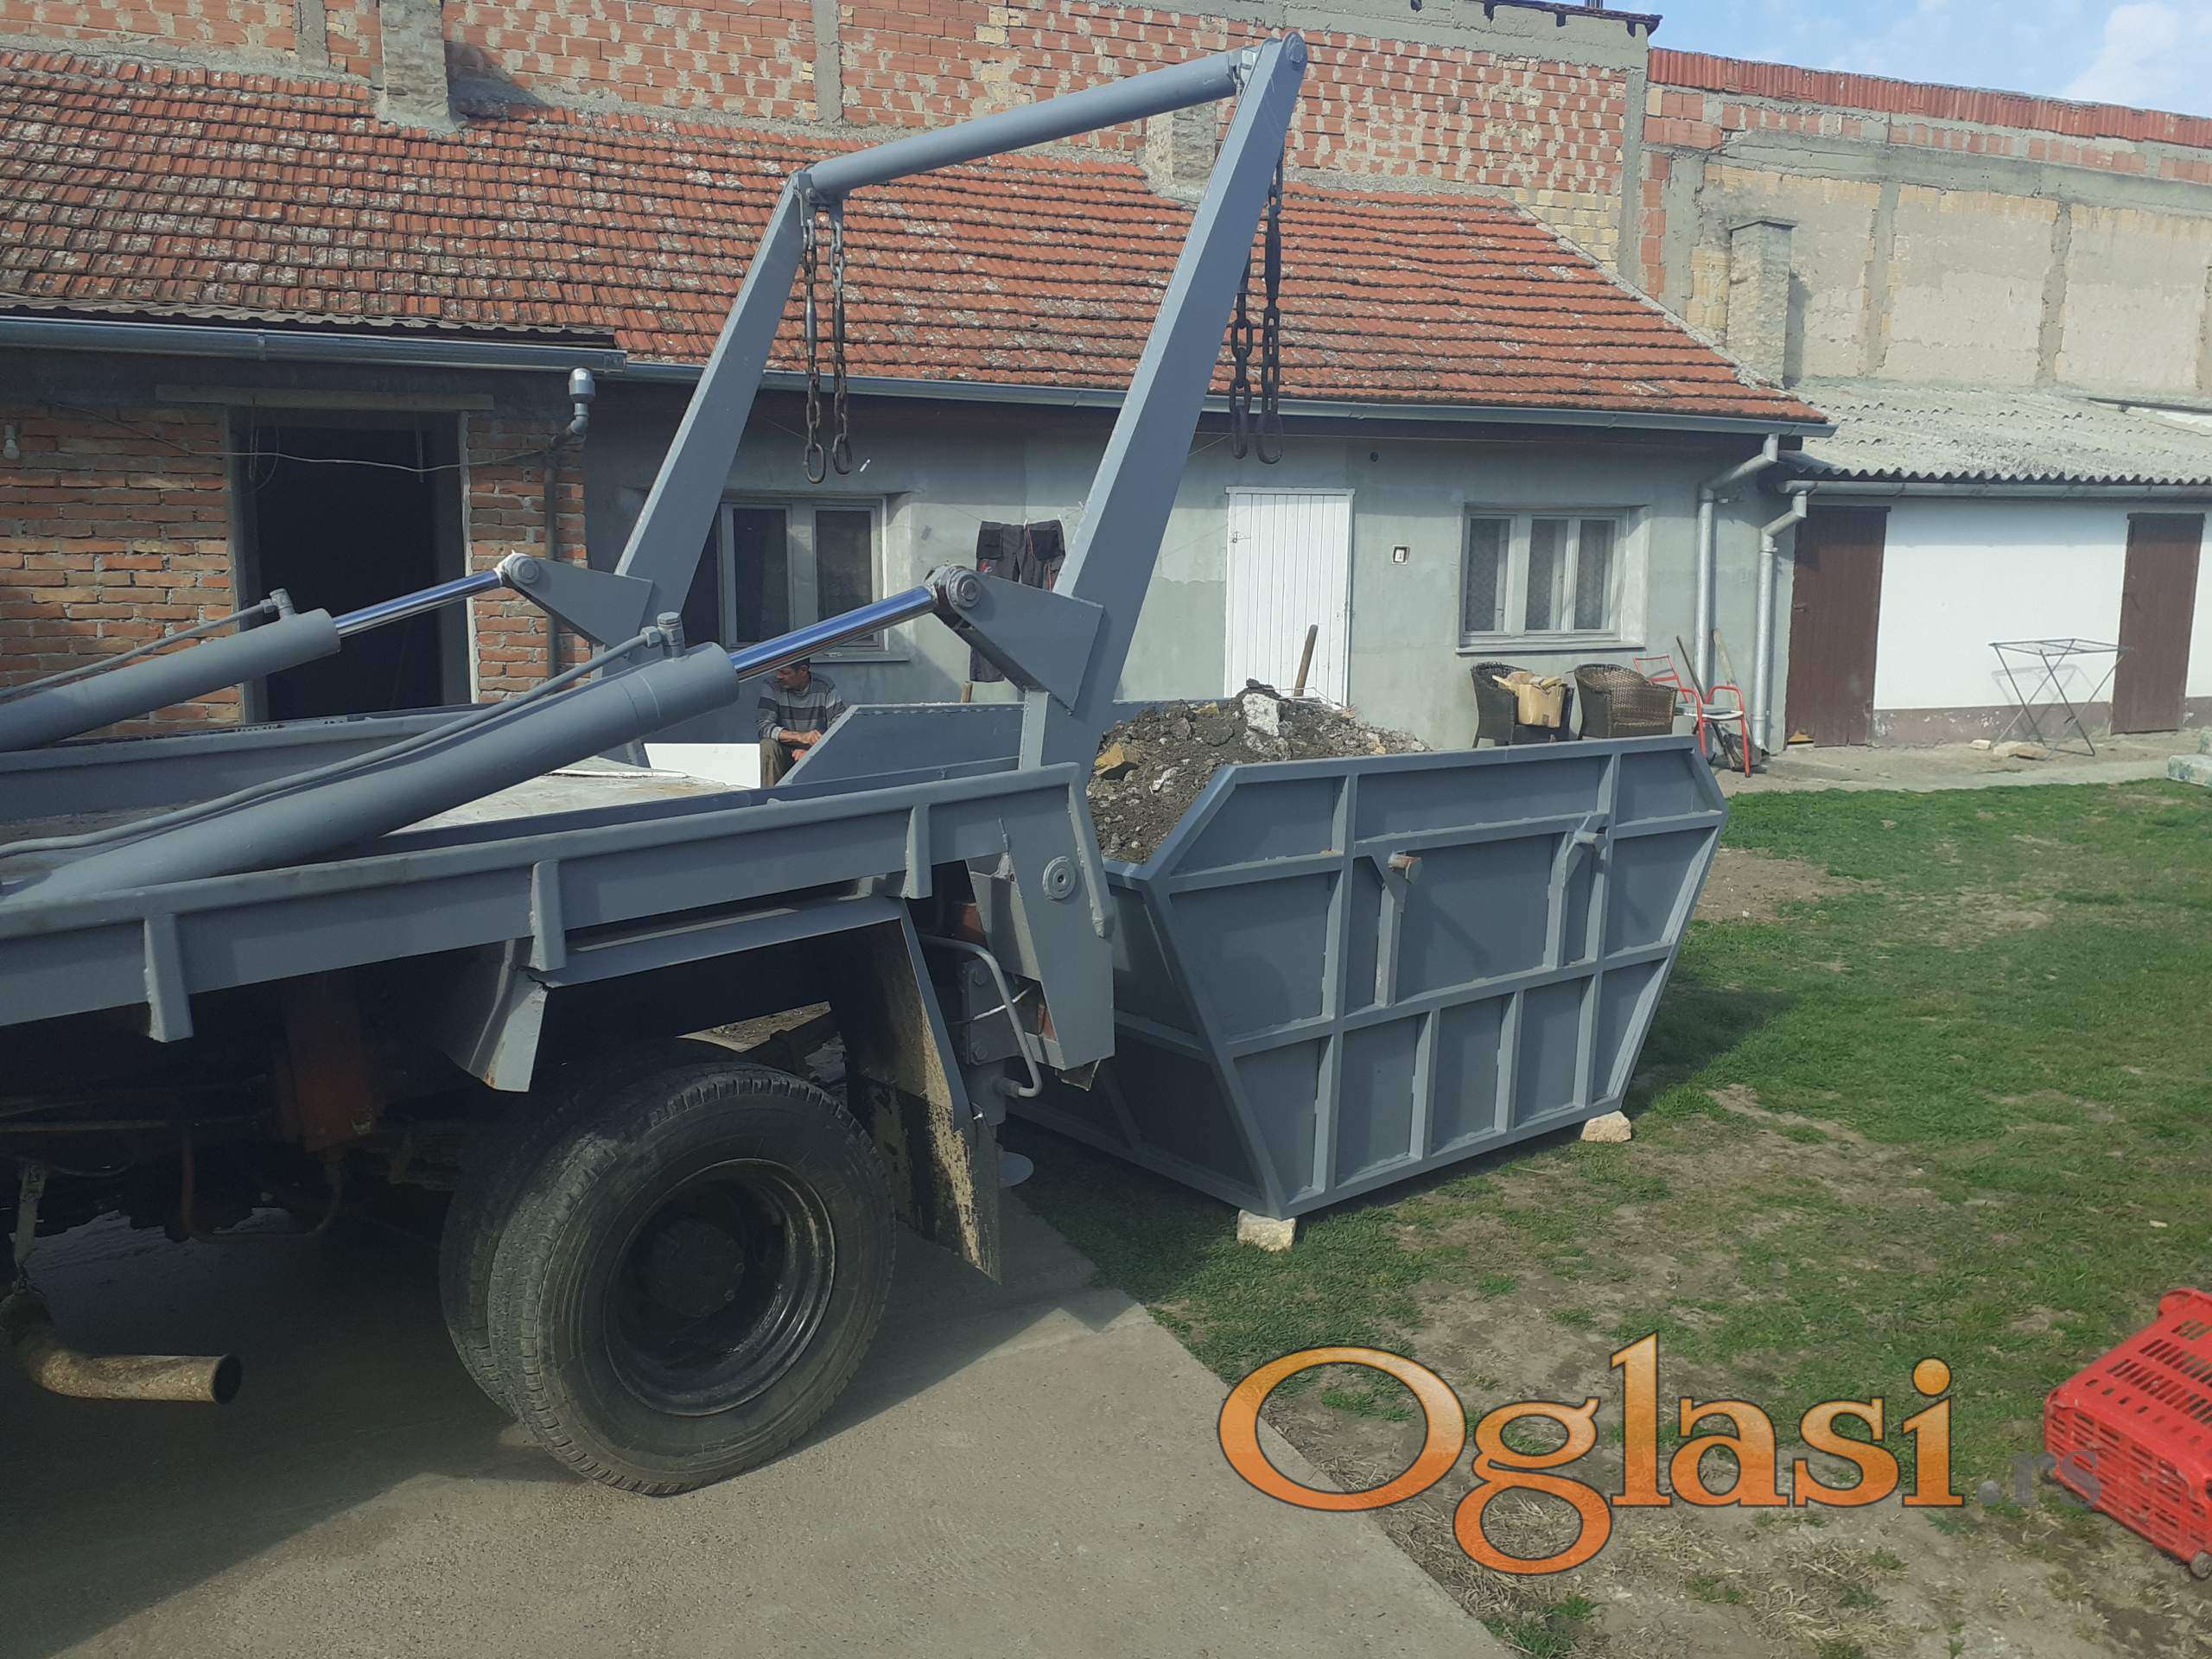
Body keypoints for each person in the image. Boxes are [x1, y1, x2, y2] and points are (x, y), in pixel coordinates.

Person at [757, 659, 847, 785]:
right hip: (784, 752)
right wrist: (800, 737)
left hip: (818, 752)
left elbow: (840, 730)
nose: (779, 676)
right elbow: (764, 727)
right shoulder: (772, 685)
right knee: (767, 744)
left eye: (785, 672)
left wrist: (812, 753)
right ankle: (770, 795)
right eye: (778, 671)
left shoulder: (825, 686)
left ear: (803, 671)